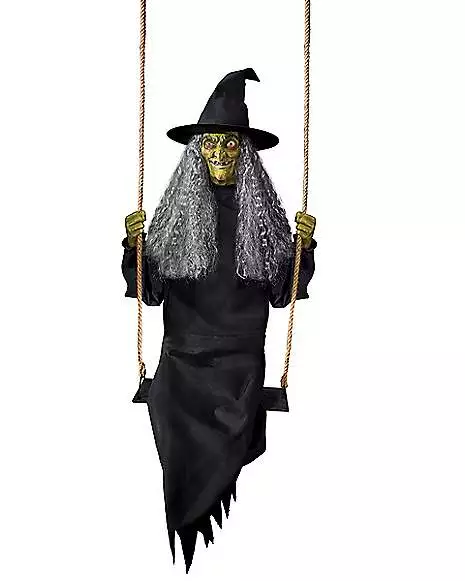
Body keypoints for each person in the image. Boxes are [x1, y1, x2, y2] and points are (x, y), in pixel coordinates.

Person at [121, 68, 317, 572]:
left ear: (245, 152)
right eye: (210, 144)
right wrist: (134, 247)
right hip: (181, 359)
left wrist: (303, 247)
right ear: (197, 152)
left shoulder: (263, 220)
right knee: (175, 443)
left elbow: (283, 294)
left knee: (227, 445)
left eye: (230, 144)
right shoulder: (177, 218)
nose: (221, 153)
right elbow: (150, 293)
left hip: (239, 363)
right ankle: (184, 538)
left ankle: (195, 548)